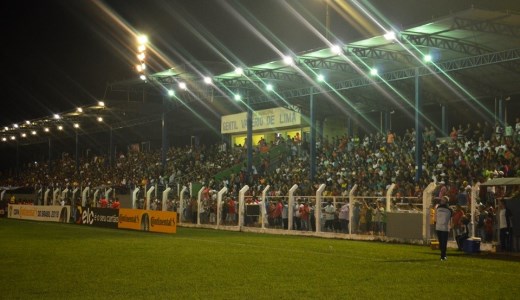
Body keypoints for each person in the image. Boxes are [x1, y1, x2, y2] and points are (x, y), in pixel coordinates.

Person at [435, 196, 452, 261]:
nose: (441, 201)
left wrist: (450, 226)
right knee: (441, 242)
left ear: (446, 201)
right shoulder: (438, 207)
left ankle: (443, 255)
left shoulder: (449, 209)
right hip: (439, 227)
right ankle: (443, 254)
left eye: (443, 200)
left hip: (445, 228)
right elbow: (436, 216)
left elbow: (451, 219)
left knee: (444, 242)